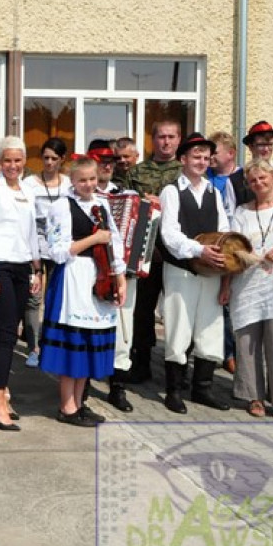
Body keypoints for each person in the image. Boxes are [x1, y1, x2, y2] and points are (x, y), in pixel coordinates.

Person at [40, 156, 127, 427]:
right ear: (72, 181)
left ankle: (80, 402)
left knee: (90, 343)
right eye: (82, 180)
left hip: (99, 276)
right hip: (73, 278)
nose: (88, 185)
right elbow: (56, 251)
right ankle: (67, 406)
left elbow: (115, 245)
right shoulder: (61, 207)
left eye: (93, 179)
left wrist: (120, 278)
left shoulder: (102, 205)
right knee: (74, 344)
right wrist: (93, 239)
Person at [157, 132, 230, 414]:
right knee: (179, 327)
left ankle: (202, 389)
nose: (201, 161)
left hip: (210, 272)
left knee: (210, 328)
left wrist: (221, 254)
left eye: (205, 157)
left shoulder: (214, 191)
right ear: (182, 159)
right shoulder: (172, 191)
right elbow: (170, 234)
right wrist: (199, 251)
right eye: (195, 156)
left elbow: (223, 230)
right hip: (182, 271)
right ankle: (174, 390)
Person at [223, 158, 273, 419]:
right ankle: (253, 396)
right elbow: (231, 251)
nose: (258, 183)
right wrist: (225, 286)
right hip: (247, 286)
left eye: (263, 178)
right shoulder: (241, 213)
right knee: (248, 343)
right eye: (253, 180)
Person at [0, 136, 42, 431]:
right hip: (0, 265)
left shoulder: (29, 190)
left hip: (22, 266)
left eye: (17, 160)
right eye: (7, 161)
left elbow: (32, 233)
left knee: (12, 334)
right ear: (0, 162)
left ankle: (1, 392)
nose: (12, 166)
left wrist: (36, 270)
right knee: (5, 333)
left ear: (24, 161)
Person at [126, 120, 182, 384]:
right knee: (143, 310)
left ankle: (178, 365)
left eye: (171, 137)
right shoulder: (137, 171)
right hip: (146, 251)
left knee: (177, 310)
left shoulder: (187, 172)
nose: (166, 142)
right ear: (153, 139)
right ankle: (142, 361)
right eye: (161, 137)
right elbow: (127, 204)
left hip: (177, 254)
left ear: (179, 139)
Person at [87, 139, 135, 412]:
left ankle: (118, 387)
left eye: (110, 162)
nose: (107, 166)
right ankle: (85, 379)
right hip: (91, 268)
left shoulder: (127, 194)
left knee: (122, 329)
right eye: (101, 161)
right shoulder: (83, 193)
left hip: (122, 270)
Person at [23, 136, 70, 369]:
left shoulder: (69, 184)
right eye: (45, 158)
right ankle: (33, 347)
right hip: (36, 246)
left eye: (54, 158)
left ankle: (52, 343)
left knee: (57, 296)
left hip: (60, 248)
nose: (49, 162)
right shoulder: (30, 183)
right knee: (33, 298)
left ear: (62, 159)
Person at [207, 130, 240, 375]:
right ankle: (218, 352)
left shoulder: (244, 178)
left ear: (231, 153)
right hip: (208, 248)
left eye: (214, 153)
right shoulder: (205, 178)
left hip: (233, 248)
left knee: (230, 302)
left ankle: (232, 353)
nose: (209, 158)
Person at [226, 120, 273, 214]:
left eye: (270, 144)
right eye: (261, 145)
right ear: (250, 146)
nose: (266, 149)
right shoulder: (234, 180)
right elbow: (230, 216)